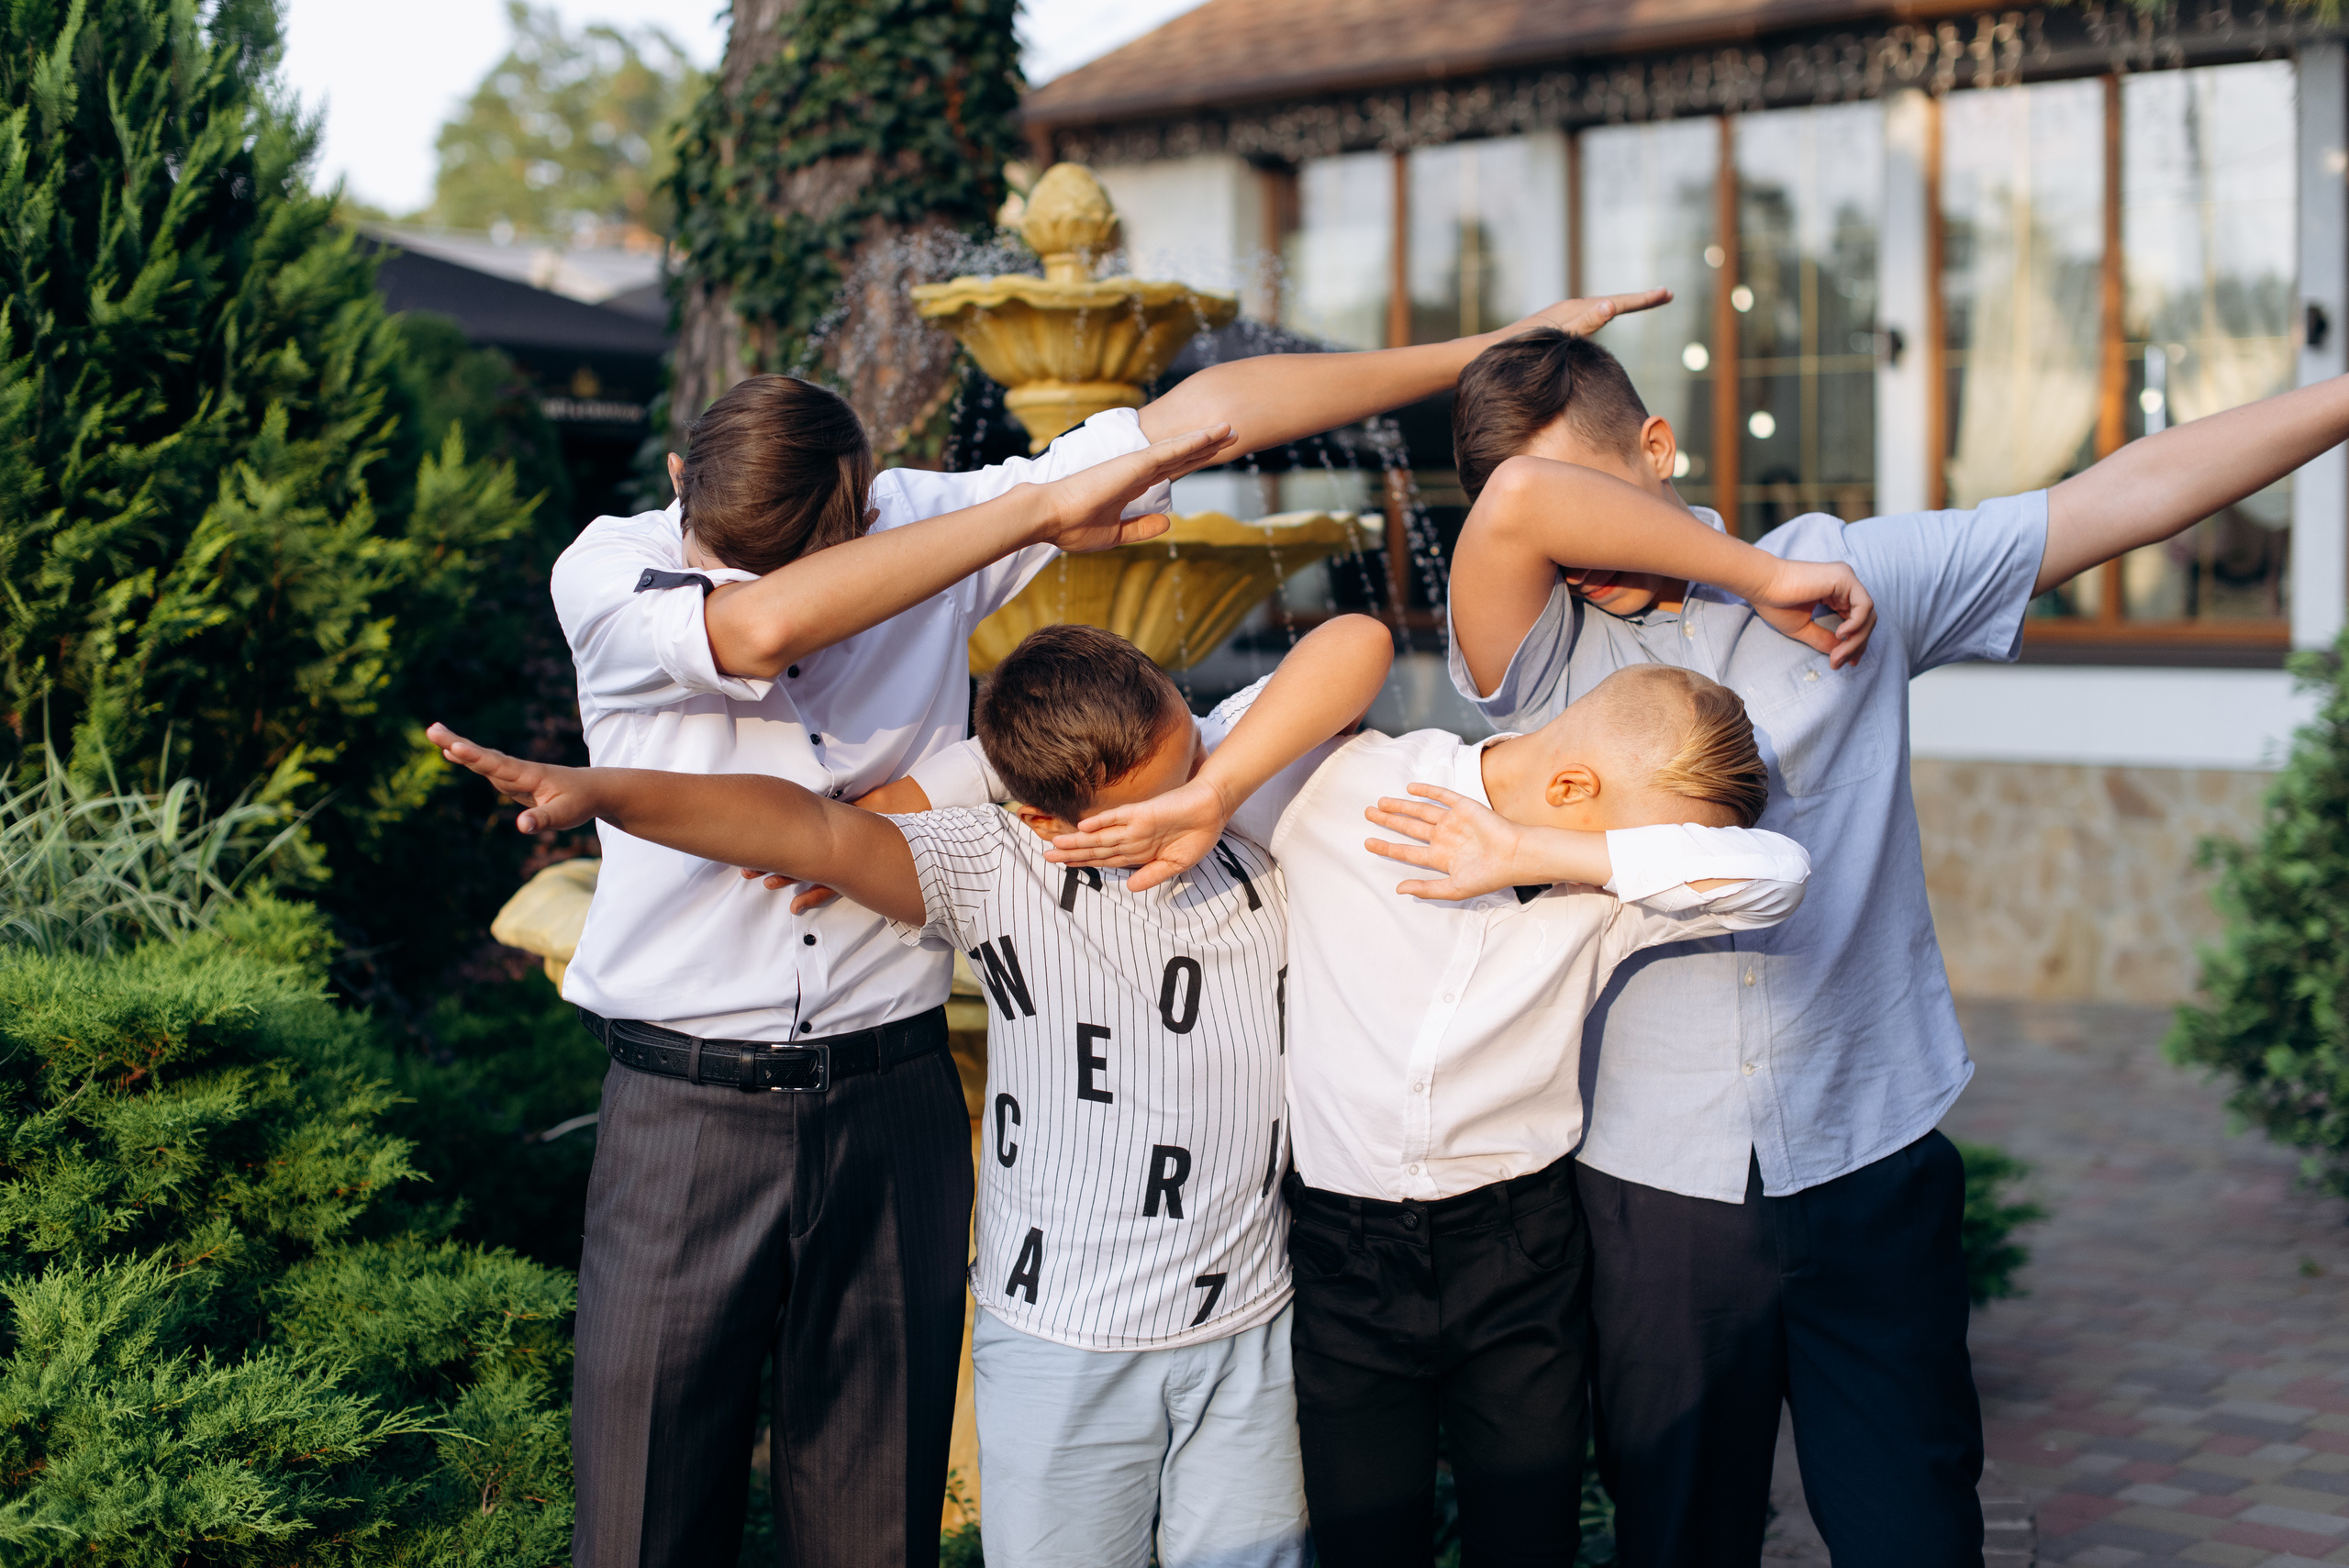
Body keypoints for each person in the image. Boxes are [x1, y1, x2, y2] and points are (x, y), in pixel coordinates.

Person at [542, 286, 1676, 1568]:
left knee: (871, 1523)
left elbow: (1208, 417)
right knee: (640, 1519)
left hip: (894, 1088)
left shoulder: (924, 514)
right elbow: (753, 633)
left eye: (834, 539)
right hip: (686, 1098)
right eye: (760, 550)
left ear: (868, 489)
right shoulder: (611, 561)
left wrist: (1491, 352)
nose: (807, 572)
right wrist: (1032, 513)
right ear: (682, 480)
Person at [1408, 326, 2349, 1566]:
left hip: (1871, 1149)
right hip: (1655, 1190)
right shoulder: (1539, 654)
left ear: (1655, 446)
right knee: (1678, 1541)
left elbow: (2117, 497)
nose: (1579, 545)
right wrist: (1748, 571)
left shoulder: (1855, 576)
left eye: (1602, 497)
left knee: (1915, 1534)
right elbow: (1527, 499)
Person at [430, 609, 1392, 1568]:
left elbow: (1358, 638)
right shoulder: (995, 865)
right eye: (1149, 808)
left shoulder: (1233, 768)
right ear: (1046, 819)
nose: (1182, 807)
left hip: (1248, 1326)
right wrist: (595, 790)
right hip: (1062, 1345)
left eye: (1187, 762)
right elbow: (806, 825)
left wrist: (1214, 787)